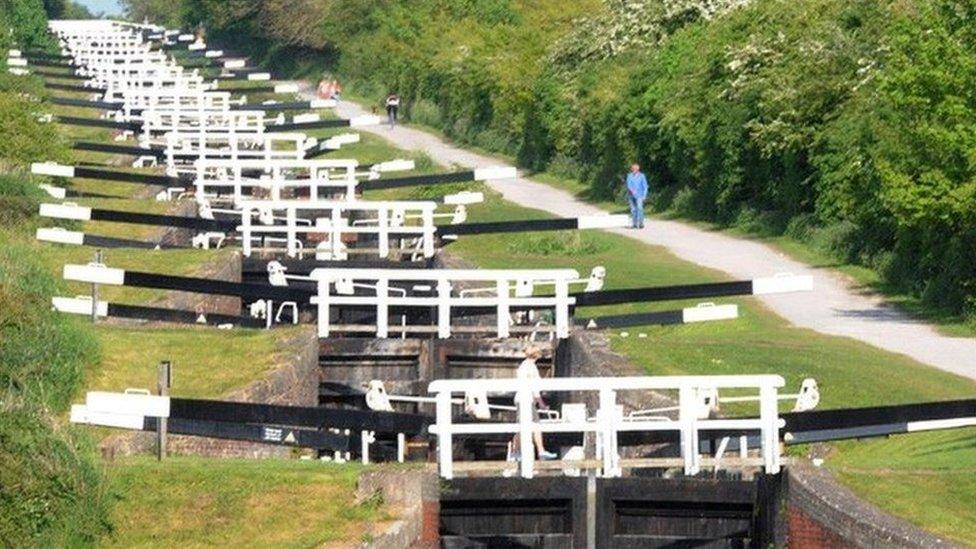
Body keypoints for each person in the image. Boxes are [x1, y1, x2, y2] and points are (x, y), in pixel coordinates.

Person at [510, 347, 558, 461]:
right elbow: (533, 388)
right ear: (537, 355)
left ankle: (516, 452)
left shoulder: (524, 365)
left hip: (523, 399)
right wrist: (541, 403)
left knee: (523, 426)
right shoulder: (530, 367)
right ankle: (540, 452)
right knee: (535, 425)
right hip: (526, 400)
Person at [625, 163, 648, 229]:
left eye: (635, 169)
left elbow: (645, 186)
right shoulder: (629, 176)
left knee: (640, 208)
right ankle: (634, 224)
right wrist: (632, 190)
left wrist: (644, 195)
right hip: (631, 195)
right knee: (633, 210)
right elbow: (628, 185)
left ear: (638, 169)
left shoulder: (642, 176)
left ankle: (641, 223)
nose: (633, 170)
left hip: (639, 195)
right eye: (633, 169)